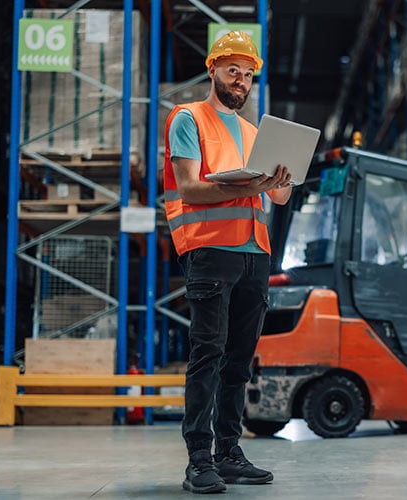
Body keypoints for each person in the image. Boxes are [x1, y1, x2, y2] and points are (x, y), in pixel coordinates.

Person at [163, 31, 292, 494]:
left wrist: (282, 178)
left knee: (239, 361)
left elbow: (277, 195)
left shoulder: (255, 132)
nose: (241, 81)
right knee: (208, 354)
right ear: (212, 69)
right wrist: (251, 187)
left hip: (255, 255)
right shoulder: (187, 118)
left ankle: (229, 453)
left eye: (248, 74)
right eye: (232, 71)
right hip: (211, 252)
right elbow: (189, 189)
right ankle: (199, 459)